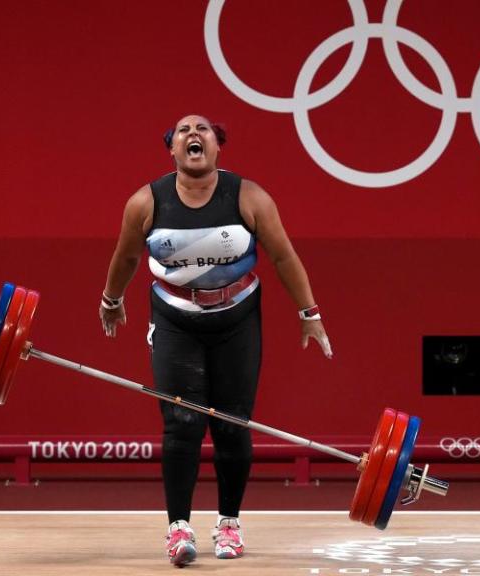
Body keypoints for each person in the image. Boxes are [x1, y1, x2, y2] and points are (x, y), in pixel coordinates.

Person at [98, 114, 333, 566]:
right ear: (172, 150)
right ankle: (178, 529)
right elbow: (126, 256)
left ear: (217, 147)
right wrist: (111, 300)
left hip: (236, 320)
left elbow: (284, 256)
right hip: (175, 320)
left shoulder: (248, 197)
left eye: (203, 129)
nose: (193, 135)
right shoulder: (145, 203)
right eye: (184, 131)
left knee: (232, 424)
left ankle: (229, 524)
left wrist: (310, 314)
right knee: (181, 424)